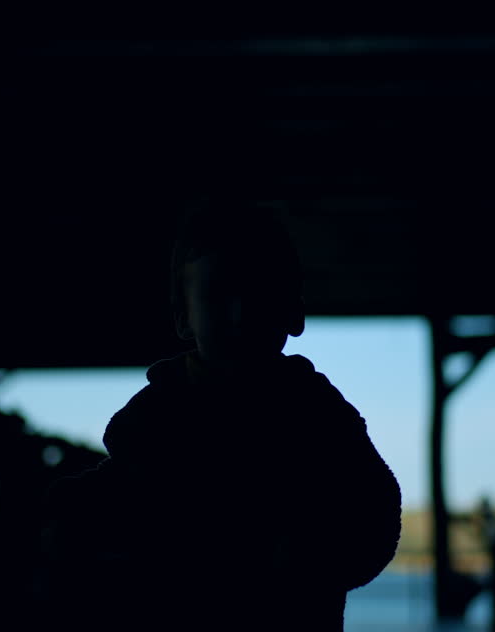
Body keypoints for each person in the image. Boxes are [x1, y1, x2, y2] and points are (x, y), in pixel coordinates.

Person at [38, 200, 401, 631]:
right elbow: (111, 496)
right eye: (217, 295)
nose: (240, 313)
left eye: (261, 292)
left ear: (294, 312)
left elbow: (375, 511)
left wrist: (310, 559)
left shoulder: (319, 415)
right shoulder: (155, 420)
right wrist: (65, 515)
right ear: (183, 319)